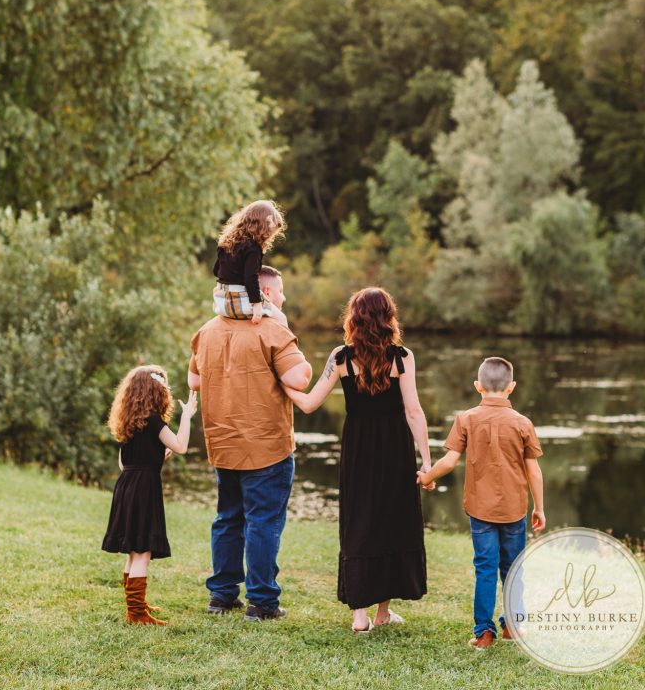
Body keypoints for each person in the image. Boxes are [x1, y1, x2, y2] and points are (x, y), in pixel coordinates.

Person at [284, 287, 430, 633]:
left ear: (354, 319)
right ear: (387, 317)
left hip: (358, 448)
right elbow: (412, 410)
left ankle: (361, 616)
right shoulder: (402, 357)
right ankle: (382, 612)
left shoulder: (340, 357)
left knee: (360, 520)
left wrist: (278, 382)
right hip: (394, 447)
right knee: (391, 520)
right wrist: (426, 460)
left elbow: (308, 404)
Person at [188, 267, 311, 622]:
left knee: (228, 518)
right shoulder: (272, 329)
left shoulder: (207, 330)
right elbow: (298, 379)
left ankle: (222, 596)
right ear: (267, 294)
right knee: (263, 522)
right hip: (266, 446)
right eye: (281, 292)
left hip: (222, 441)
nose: (284, 299)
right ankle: (262, 602)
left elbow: (193, 380)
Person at [418, 356, 546, 650]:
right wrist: (539, 507)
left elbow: (449, 461)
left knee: (485, 568)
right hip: (514, 511)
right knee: (513, 569)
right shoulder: (523, 423)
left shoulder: (466, 419)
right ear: (511, 387)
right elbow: (534, 471)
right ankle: (513, 627)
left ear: (478, 386)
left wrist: (426, 478)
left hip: (480, 511)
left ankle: (483, 633)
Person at [102, 365, 198, 625]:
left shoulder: (129, 421)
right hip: (144, 489)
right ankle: (136, 614)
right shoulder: (154, 420)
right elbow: (181, 446)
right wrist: (187, 415)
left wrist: (156, 455)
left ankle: (136, 605)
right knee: (142, 550)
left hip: (126, 486)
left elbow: (125, 463)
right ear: (157, 390)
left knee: (133, 550)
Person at [212, 199, 288, 325]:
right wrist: (257, 306)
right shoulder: (253, 248)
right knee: (281, 319)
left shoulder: (225, 243)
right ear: (262, 226)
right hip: (240, 302)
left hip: (221, 302)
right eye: (270, 233)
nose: (270, 237)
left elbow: (216, 271)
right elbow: (250, 278)